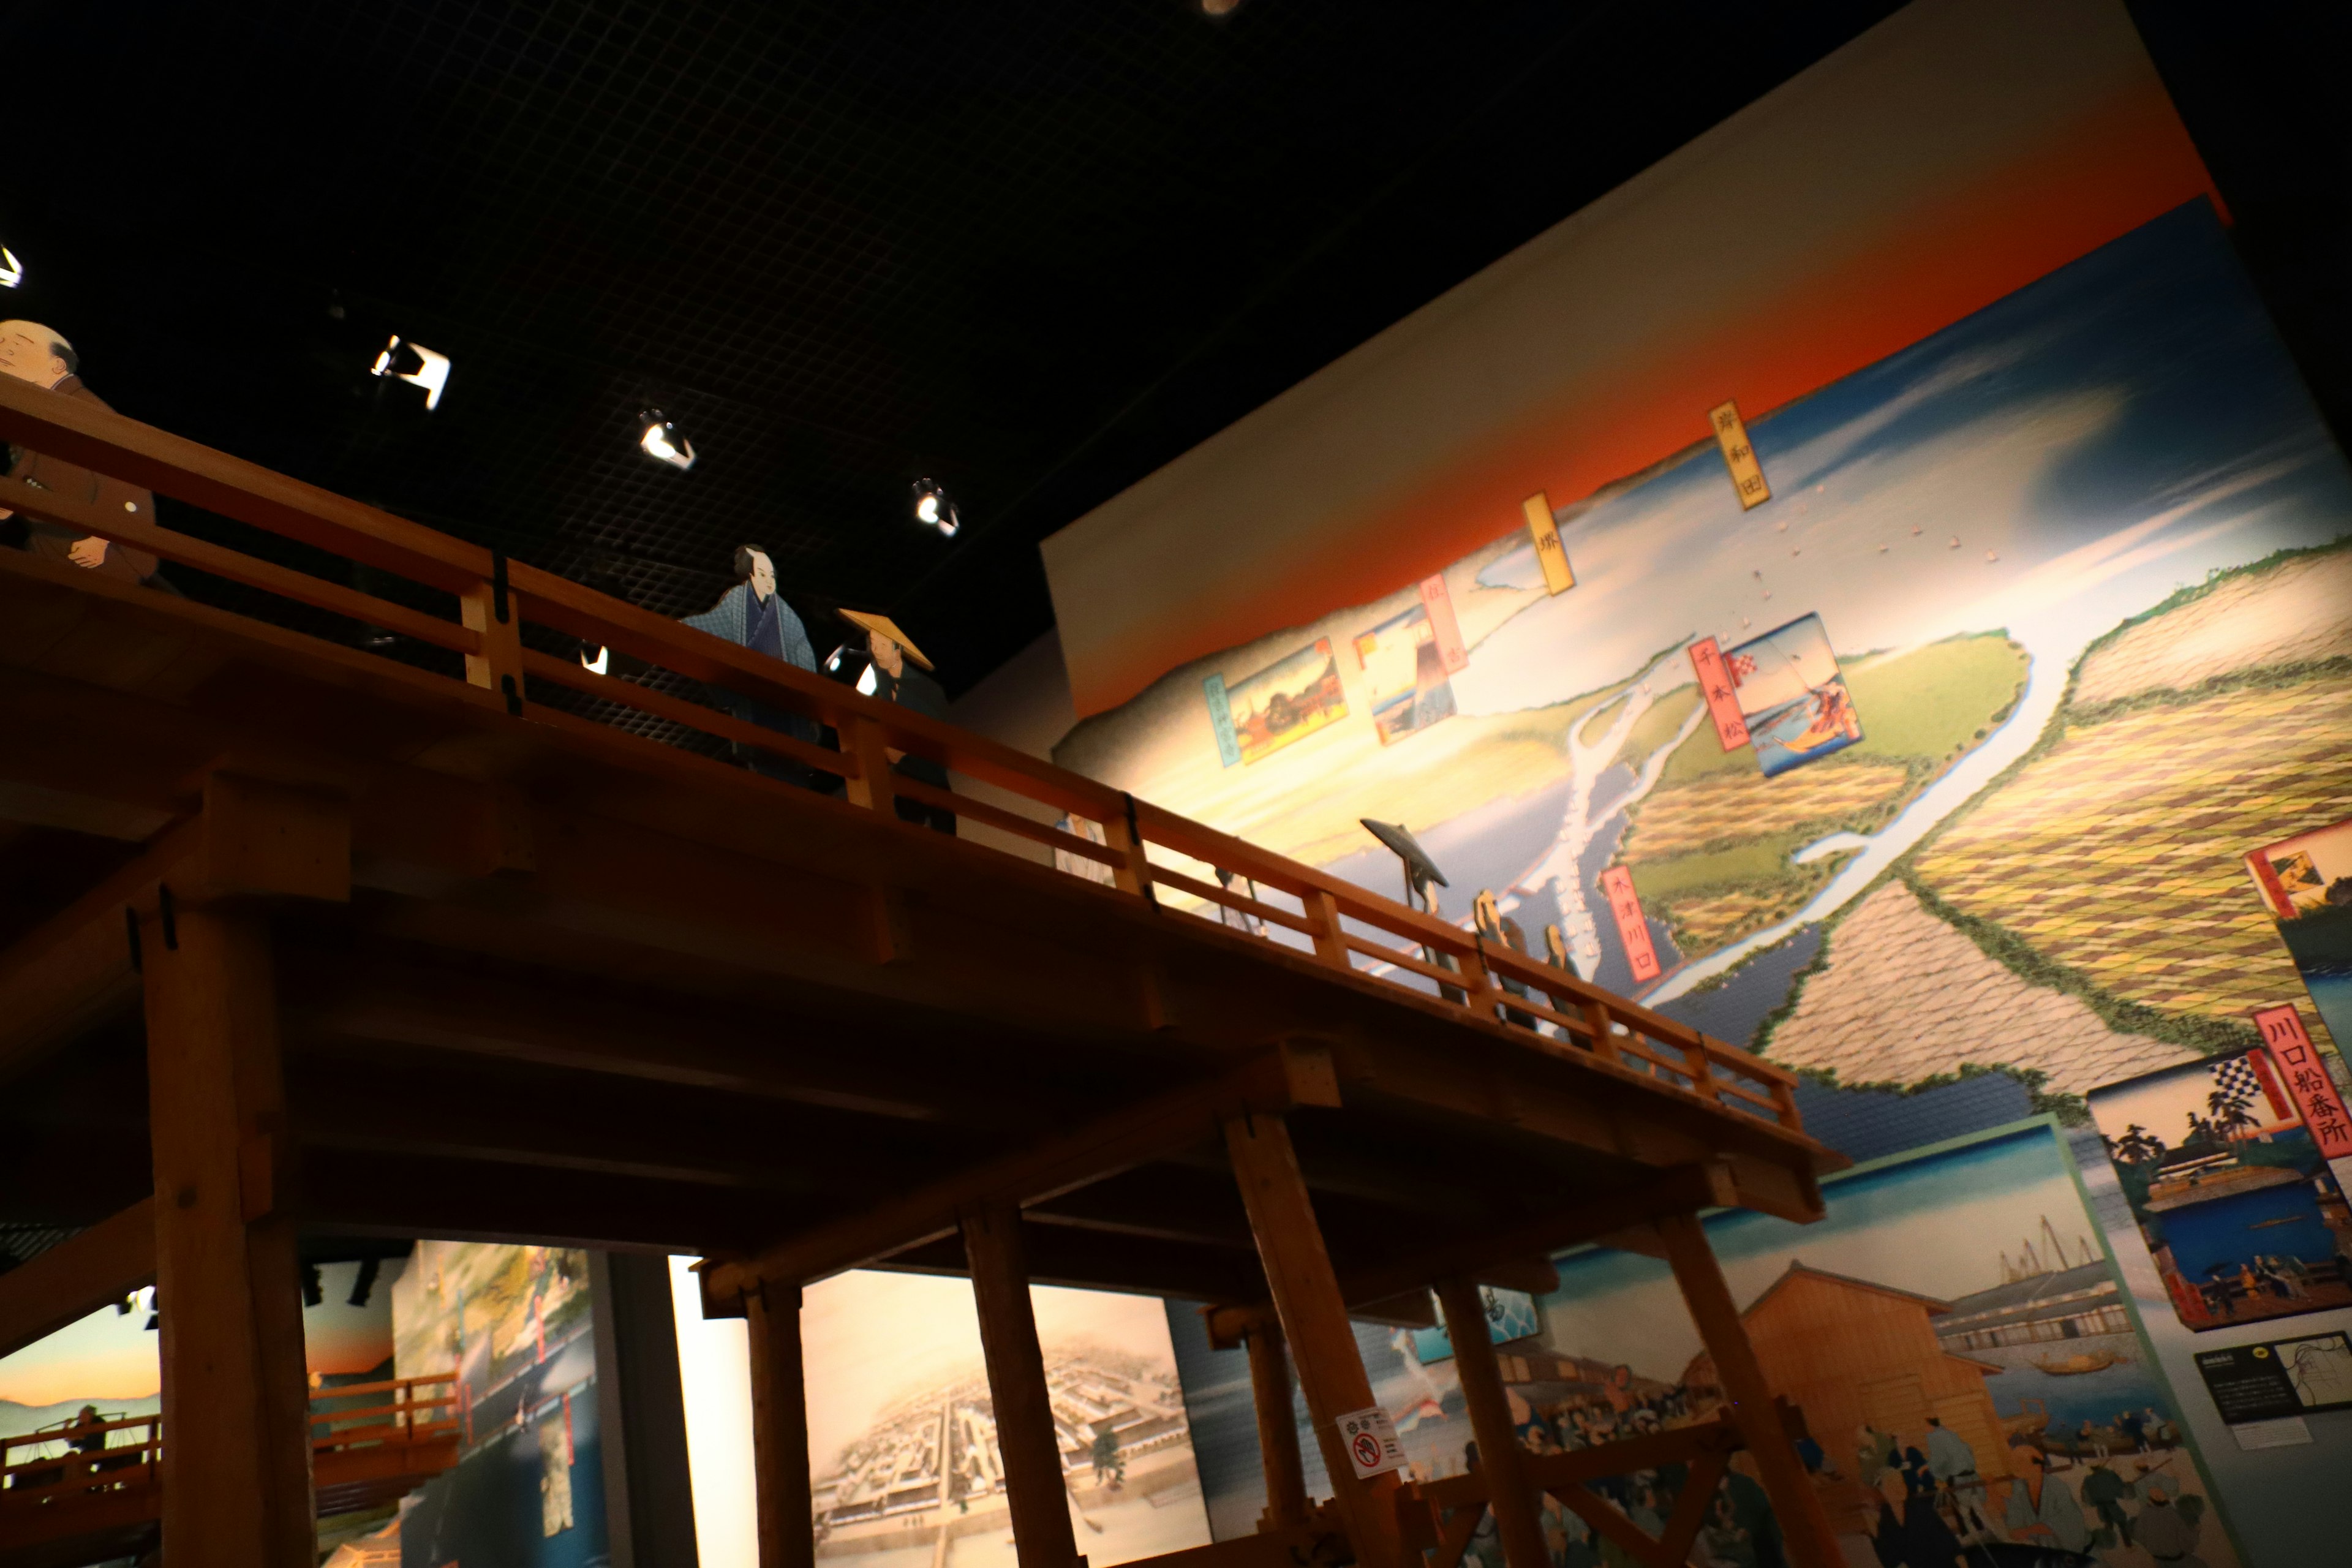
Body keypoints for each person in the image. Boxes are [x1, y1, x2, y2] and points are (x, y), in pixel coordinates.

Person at [0, 322, 164, 587]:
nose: (5, 352)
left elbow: (126, 481)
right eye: (1, 344)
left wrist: (101, 539)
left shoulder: (87, 412)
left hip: (92, 547)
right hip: (49, 532)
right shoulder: (41, 405)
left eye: (18, 345)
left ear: (58, 365)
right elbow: (31, 460)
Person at [680, 545, 823, 786]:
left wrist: (811, 704)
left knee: (792, 775)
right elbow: (711, 626)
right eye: (762, 574)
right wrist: (679, 629)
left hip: (787, 705)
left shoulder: (788, 617)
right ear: (750, 576)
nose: (769, 581)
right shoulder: (737, 603)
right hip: (755, 701)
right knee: (765, 772)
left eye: (772, 575)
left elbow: (804, 658)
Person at [835, 609, 955, 834]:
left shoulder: (925, 689)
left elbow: (935, 726)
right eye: (873, 644)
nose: (877, 650)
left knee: (941, 842)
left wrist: (904, 749)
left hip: (930, 779)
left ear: (897, 649)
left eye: (882, 644)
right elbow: (858, 704)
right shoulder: (880, 684)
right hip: (903, 783)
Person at [2002, 1442, 2090, 1555]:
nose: (2016, 1466)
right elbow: (2015, 1519)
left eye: (2021, 1462)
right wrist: (1994, 1494)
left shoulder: (2056, 1486)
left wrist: (2029, 1530)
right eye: (2014, 1462)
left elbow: (2068, 1521)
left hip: (2079, 1552)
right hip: (2051, 1556)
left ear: (2037, 1465)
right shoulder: (2019, 1490)